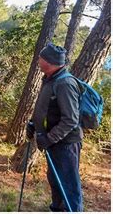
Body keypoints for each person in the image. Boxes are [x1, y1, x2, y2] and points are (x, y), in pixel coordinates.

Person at [26, 43, 83, 212]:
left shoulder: (65, 83)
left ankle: (71, 210)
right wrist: (33, 124)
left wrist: (49, 138)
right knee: (56, 180)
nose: (38, 60)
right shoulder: (50, 79)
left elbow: (70, 119)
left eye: (41, 58)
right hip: (55, 143)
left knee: (68, 184)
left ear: (49, 62)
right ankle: (57, 208)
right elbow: (46, 108)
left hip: (65, 144)